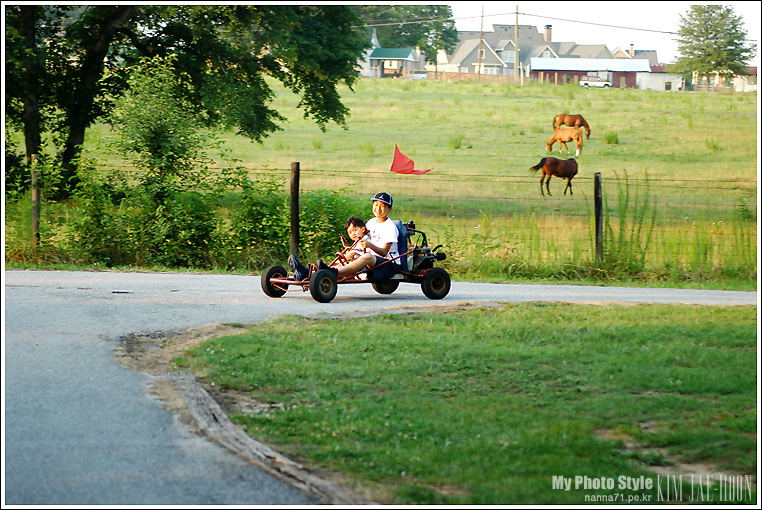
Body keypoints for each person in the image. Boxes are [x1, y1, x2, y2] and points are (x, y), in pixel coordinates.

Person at [288, 192, 401, 282]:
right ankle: (307, 273)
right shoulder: (371, 222)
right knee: (347, 259)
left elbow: (384, 252)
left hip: (388, 264)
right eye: (376, 205)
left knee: (366, 257)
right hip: (373, 261)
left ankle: (332, 272)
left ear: (389, 209)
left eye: (382, 206)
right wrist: (352, 246)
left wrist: (369, 245)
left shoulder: (390, 227)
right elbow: (361, 235)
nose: (378, 208)